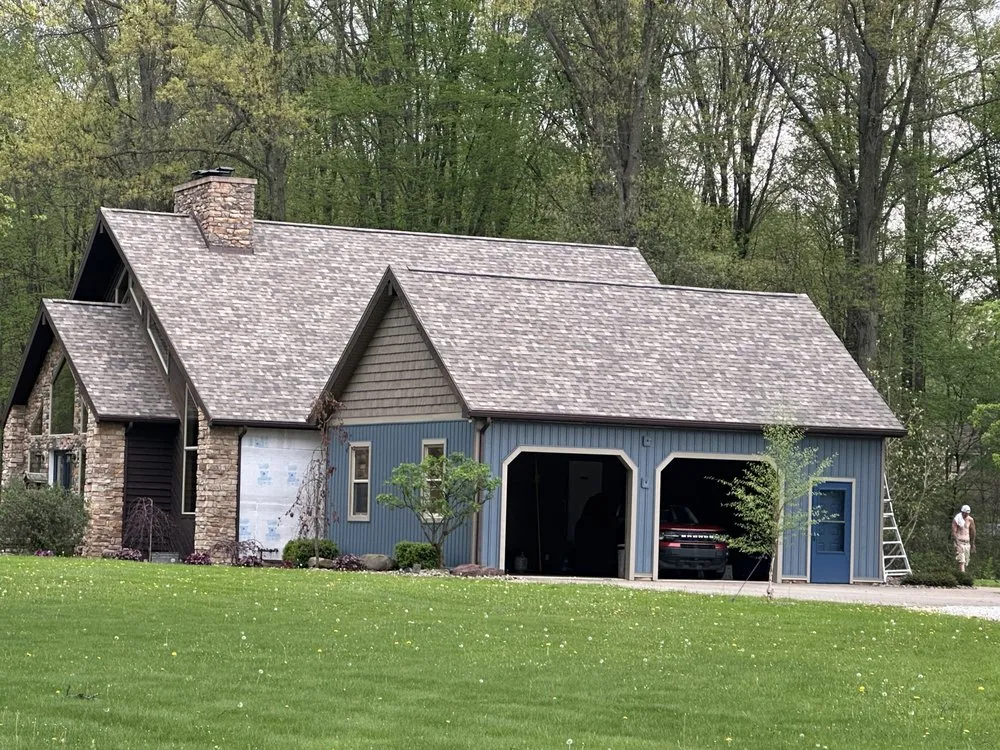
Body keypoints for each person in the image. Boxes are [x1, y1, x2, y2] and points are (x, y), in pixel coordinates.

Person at [952, 504, 976, 573]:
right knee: (961, 561)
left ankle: (959, 575)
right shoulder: (957, 519)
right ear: (962, 512)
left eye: (968, 514)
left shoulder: (970, 520)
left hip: (967, 543)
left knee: (965, 561)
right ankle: (963, 576)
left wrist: (973, 543)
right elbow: (954, 532)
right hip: (959, 541)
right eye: (965, 513)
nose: (966, 515)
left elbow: (973, 531)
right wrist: (958, 544)